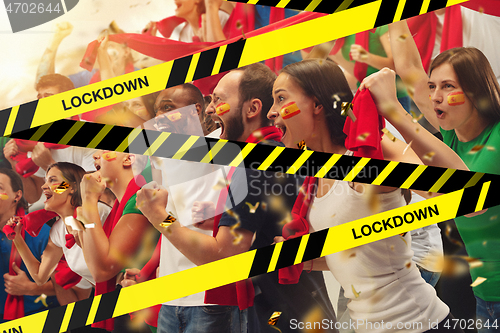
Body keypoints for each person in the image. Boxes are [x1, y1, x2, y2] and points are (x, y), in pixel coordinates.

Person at [266, 59, 466, 333]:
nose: (271, 112)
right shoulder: (314, 174)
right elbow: (357, 257)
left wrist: (394, 110)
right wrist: (307, 261)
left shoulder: (368, 150)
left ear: (317, 104)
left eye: (280, 99)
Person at [137, 64, 337, 333]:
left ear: (252, 109)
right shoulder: (253, 155)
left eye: (218, 100)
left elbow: (222, 256)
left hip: (281, 317)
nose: (209, 109)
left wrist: (160, 216)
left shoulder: (256, 161)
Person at [379, 20, 500, 333]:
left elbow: (462, 199)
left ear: (475, 92)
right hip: (484, 294)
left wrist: (394, 112)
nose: (434, 96)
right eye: (432, 86)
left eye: (448, 87)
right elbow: (407, 65)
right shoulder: (454, 132)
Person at [6, 163, 110, 323]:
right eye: (45, 180)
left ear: (73, 188)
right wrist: (18, 238)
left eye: (52, 180)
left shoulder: (98, 212)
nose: (43, 186)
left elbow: (110, 264)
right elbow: (40, 276)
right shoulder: (58, 230)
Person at [79, 150, 154, 331]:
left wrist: (89, 199)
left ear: (128, 159)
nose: (95, 156)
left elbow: (101, 270)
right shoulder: (120, 207)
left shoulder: (140, 198)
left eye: (104, 151)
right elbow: (95, 265)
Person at [0, 169, 58, 323]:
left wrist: (32, 288)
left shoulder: (43, 234)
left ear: (17, 196)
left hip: (39, 320)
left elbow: (73, 286)